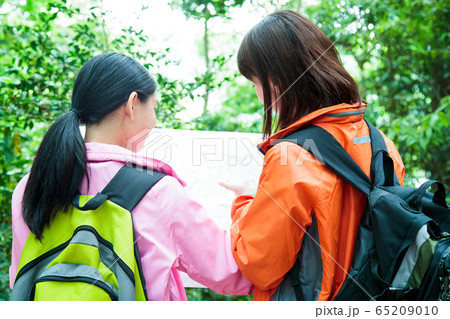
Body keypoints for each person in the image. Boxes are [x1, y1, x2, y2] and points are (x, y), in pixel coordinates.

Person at [10, 52, 253, 300]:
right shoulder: (158, 192)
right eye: (154, 107)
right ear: (132, 104)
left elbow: (21, 278)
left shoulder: (30, 186)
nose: (155, 120)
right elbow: (236, 272)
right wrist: (246, 202)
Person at [220, 10, 405, 301]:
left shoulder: (290, 158)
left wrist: (245, 201)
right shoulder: (382, 145)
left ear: (275, 81)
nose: (258, 96)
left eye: (254, 83)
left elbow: (260, 266)